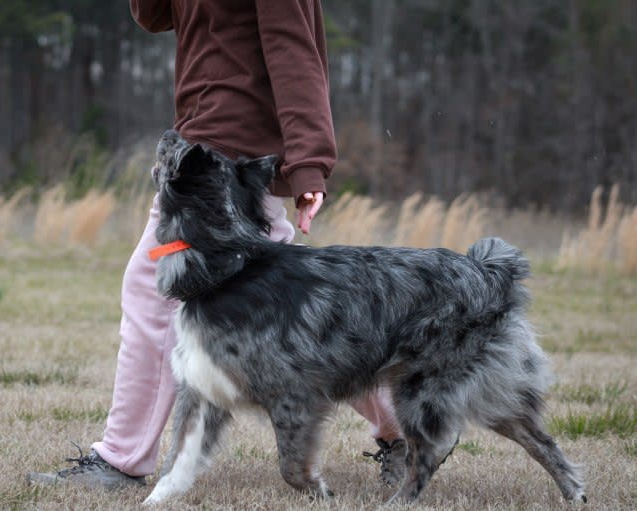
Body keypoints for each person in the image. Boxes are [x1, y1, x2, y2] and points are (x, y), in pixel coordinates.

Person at [27, 0, 403, 489]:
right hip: (201, 143)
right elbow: (155, 15)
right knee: (292, 312)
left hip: (232, 163)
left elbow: (296, 51)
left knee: (154, 288)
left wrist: (309, 163)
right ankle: (402, 428)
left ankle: (121, 460)